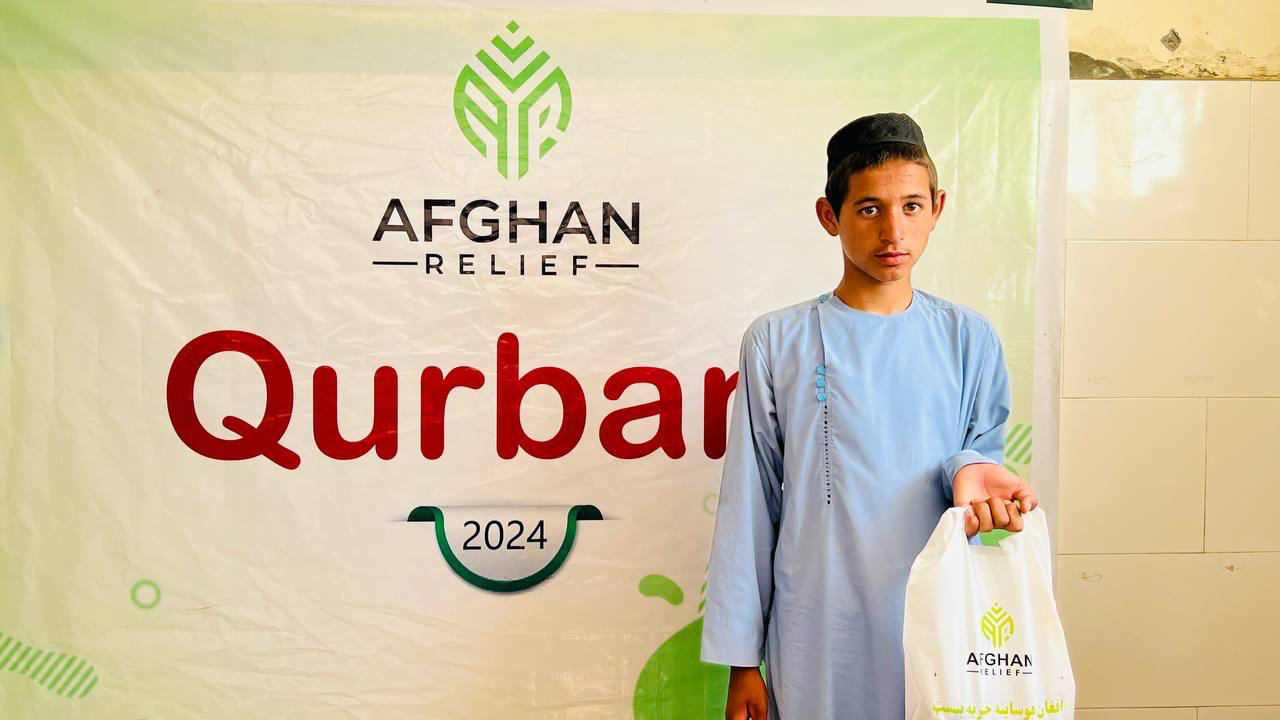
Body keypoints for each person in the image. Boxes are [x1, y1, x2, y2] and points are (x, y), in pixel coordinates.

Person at [699, 112, 1039, 720]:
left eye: (911, 206)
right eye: (869, 209)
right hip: (817, 627)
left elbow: (979, 472)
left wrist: (978, 482)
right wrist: (742, 662)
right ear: (830, 216)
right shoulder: (778, 341)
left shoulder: (969, 339)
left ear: (937, 208)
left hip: (938, 617)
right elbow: (749, 504)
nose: (893, 231)